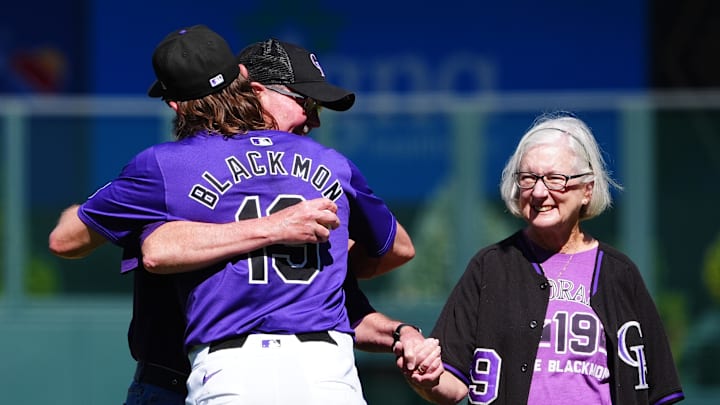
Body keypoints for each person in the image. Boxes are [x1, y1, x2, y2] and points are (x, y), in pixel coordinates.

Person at [48, 26, 439, 405]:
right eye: (306, 102)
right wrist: (277, 230)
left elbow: (70, 239)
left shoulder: (165, 169)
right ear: (248, 83)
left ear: (173, 103)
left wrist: (386, 318)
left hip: (226, 370)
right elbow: (156, 251)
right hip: (308, 372)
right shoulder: (327, 164)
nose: (315, 119)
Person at [407, 112, 684, 404]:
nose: (539, 192)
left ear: (587, 190)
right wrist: (427, 377)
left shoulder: (619, 274)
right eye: (528, 178)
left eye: (555, 179)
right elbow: (453, 382)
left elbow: (656, 388)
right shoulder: (490, 267)